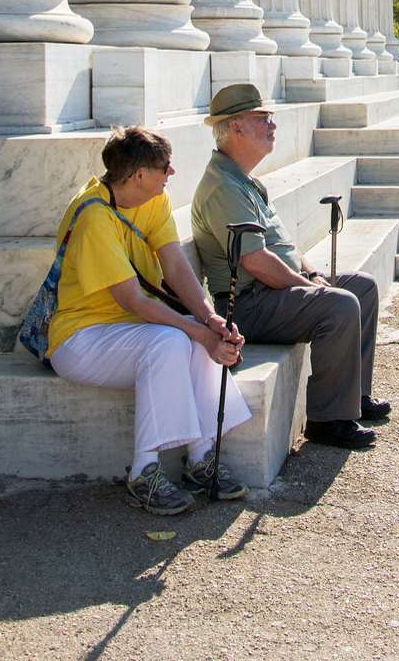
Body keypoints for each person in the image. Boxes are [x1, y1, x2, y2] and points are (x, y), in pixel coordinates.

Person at [46, 126, 251, 516]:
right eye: (165, 167)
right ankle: (143, 472)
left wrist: (210, 319)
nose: (172, 172)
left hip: (129, 331)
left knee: (190, 332)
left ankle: (201, 456)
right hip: (80, 340)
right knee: (172, 340)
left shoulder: (153, 199)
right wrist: (197, 330)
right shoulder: (93, 216)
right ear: (139, 175)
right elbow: (133, 300)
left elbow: (173, 264)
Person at [193, 83, 388, 450]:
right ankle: (328, 420)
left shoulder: (245, 181)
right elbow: (256, 262)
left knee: (362, 287)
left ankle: (354, 398)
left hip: (274, 290)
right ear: (235, 127)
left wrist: (311, 274)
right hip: (249, 303)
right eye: (263, 119)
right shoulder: (222, 187)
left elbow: (283, 247)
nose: (272, 125)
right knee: (340, 303)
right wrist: (310, 287)